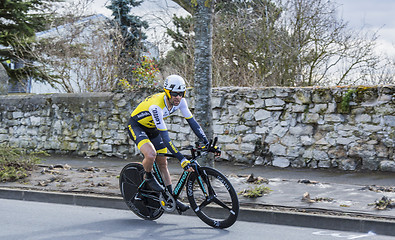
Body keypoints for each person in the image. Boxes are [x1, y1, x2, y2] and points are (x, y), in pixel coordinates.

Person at [127, 74, 213, 213]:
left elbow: (192, 122)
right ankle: (147, 176)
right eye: (174, 94)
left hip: (152, 127)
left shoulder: (181, 102)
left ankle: (170, 197)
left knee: (163, 163)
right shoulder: (157, 106)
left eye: (181, 94)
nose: (178, 97)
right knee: (151, 154)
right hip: (137, 126)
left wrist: (206, 141)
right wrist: (181, 159)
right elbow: (166, 138)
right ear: (167, 92)